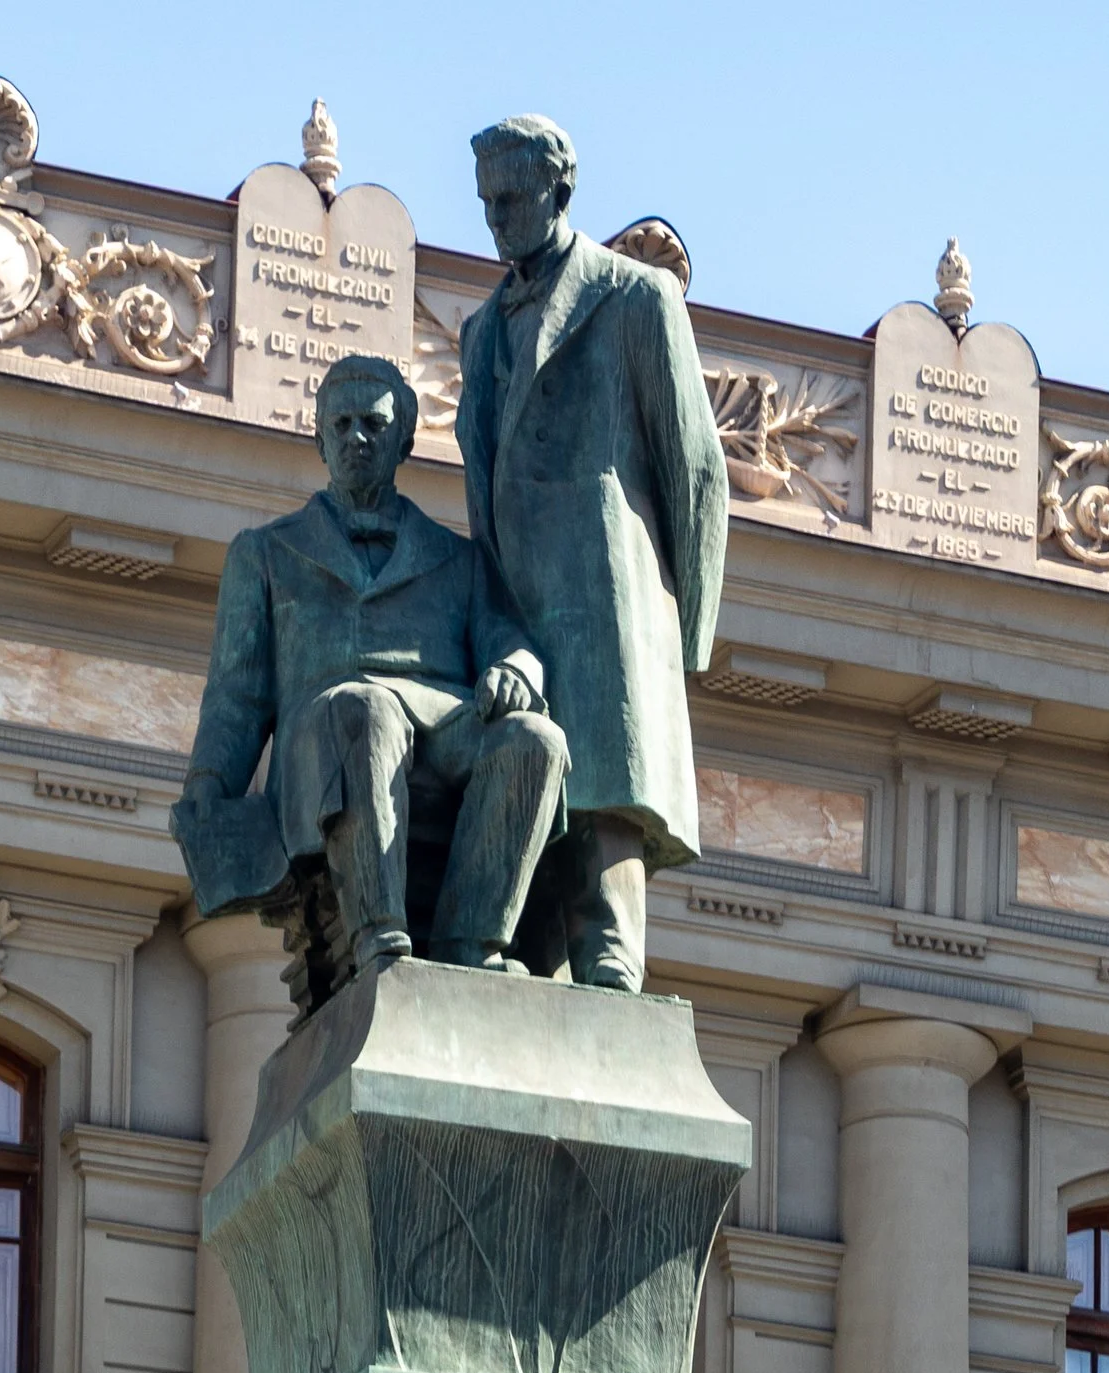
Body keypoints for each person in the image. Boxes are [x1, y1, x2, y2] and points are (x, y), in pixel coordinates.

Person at [173, 349, 567, 998]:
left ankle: (473, 942)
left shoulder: (457, 559)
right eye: (343, 424)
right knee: (365, 707)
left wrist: (516, 670)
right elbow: (236, 697)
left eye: (376, 426)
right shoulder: (267, 553)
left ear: (405, 440)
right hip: (326, 733)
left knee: (535, 740)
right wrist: (208, 784)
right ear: (319, 437)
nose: (358, 438)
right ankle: (380, 936)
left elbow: (512, 642)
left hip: (444, 722)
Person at [456, 114, 727, 991]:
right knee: (536, 773)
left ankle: (611, 943)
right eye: (487, 201)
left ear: (559, 193)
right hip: (517, 591)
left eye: (514, 197)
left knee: (607, 775)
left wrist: (677, 641)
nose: (498, 218)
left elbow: (695, 472)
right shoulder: (480, 331)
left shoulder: (634, 299)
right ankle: (538, 947)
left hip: (610, 590)